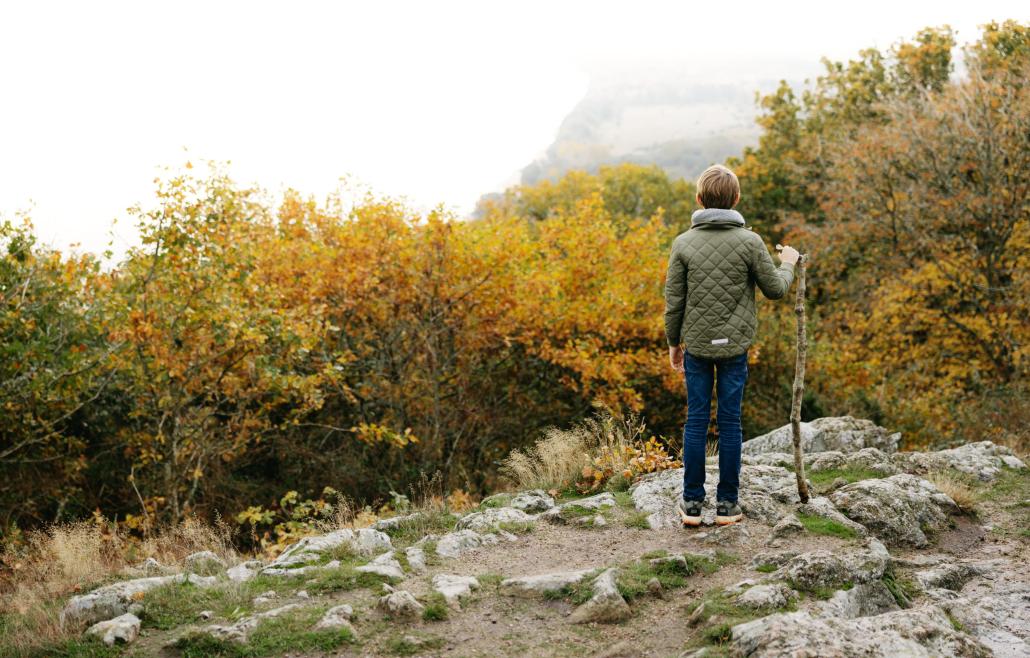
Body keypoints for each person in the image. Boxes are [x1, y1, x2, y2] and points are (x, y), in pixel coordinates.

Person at [663, 164, 799, 526]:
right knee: (730, 423)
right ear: (736, 199)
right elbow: (776, 290)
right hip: (735, 347)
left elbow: (674, 302)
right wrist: (789, 262)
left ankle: (691, 504)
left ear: (699, 200)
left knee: (695, 421)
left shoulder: (683, 244)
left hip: (697, 347)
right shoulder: (750, 242)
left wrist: (674, 343)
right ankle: (727, 505)